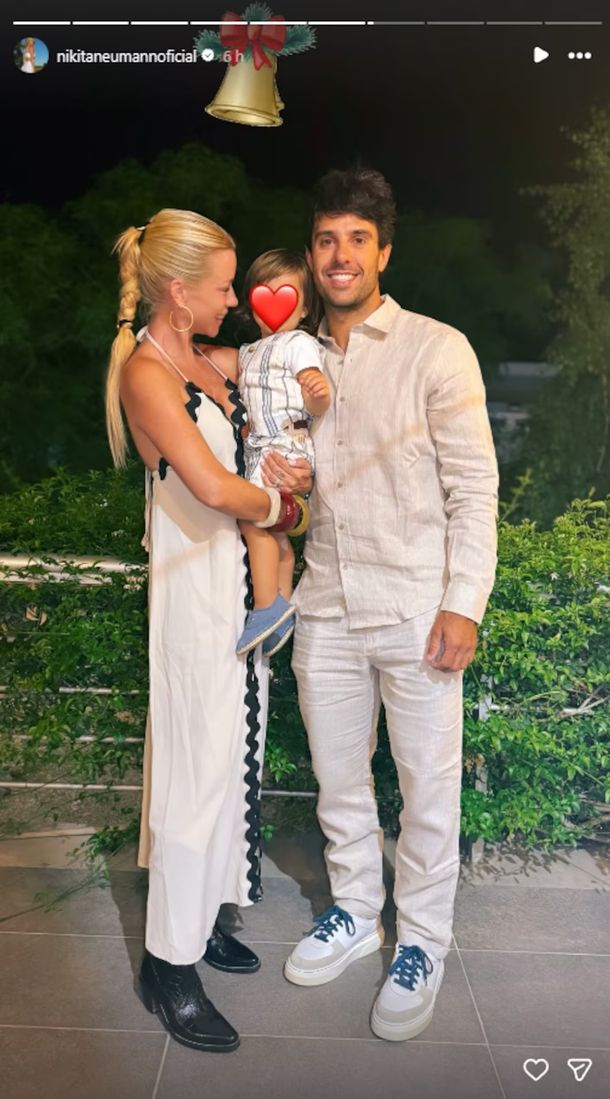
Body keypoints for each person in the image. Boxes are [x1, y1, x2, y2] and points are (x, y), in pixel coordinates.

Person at [283, 169, 499, 1042]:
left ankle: (421, 943)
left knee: (427, 790)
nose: (340, 255)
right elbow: (287, 483)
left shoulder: (435, 349)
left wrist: (464, 602)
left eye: (357, 240)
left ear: (384, 253)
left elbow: (473, 487)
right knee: (338, 781)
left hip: (416, 607)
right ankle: (353, 911)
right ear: (312, 254)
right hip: (325, 604)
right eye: (326, 239)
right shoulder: (288, 359)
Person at [105, 208, 311, 1053]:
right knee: (194, 771)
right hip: (194, 593)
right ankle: (168, 963)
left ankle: (204, 916)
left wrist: (292, 457)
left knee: (232, 760)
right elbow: (216, 488)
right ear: (178, 292)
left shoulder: (211, 359)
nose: (234, 300)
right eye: (223, 287)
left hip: (238, 586)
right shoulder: (147, 374)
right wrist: (286, 509)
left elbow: (280, 381)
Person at [235, 249, 331, 658]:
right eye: (264, 293)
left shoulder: (298, 343)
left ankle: (265, 606)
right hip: (263, 447)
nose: (274, 305)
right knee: (275, 531)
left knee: (254, 517)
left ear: (305, 306)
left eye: (287, 295)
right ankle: (283, 607)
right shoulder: (247, 352)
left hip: (284, 444)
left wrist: (317, 391)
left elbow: (315, 397)